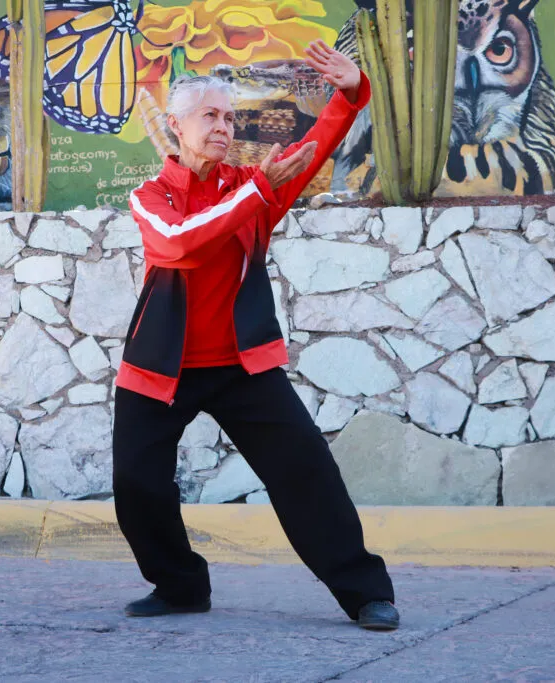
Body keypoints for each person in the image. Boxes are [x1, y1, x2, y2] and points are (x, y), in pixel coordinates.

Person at [113, 40, 398, 631]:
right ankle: (181, 586)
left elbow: (307, 154)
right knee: (138, 486)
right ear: (177, 125)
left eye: (230, 116)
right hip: (160, 368)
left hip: (242, 367)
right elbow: (179, 243)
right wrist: (255, 194)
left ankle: (365, 591)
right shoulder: (152, 196)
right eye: (210, 116)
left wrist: (348, 96)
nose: (224, 126)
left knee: (306, 471)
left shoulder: (253, 185)